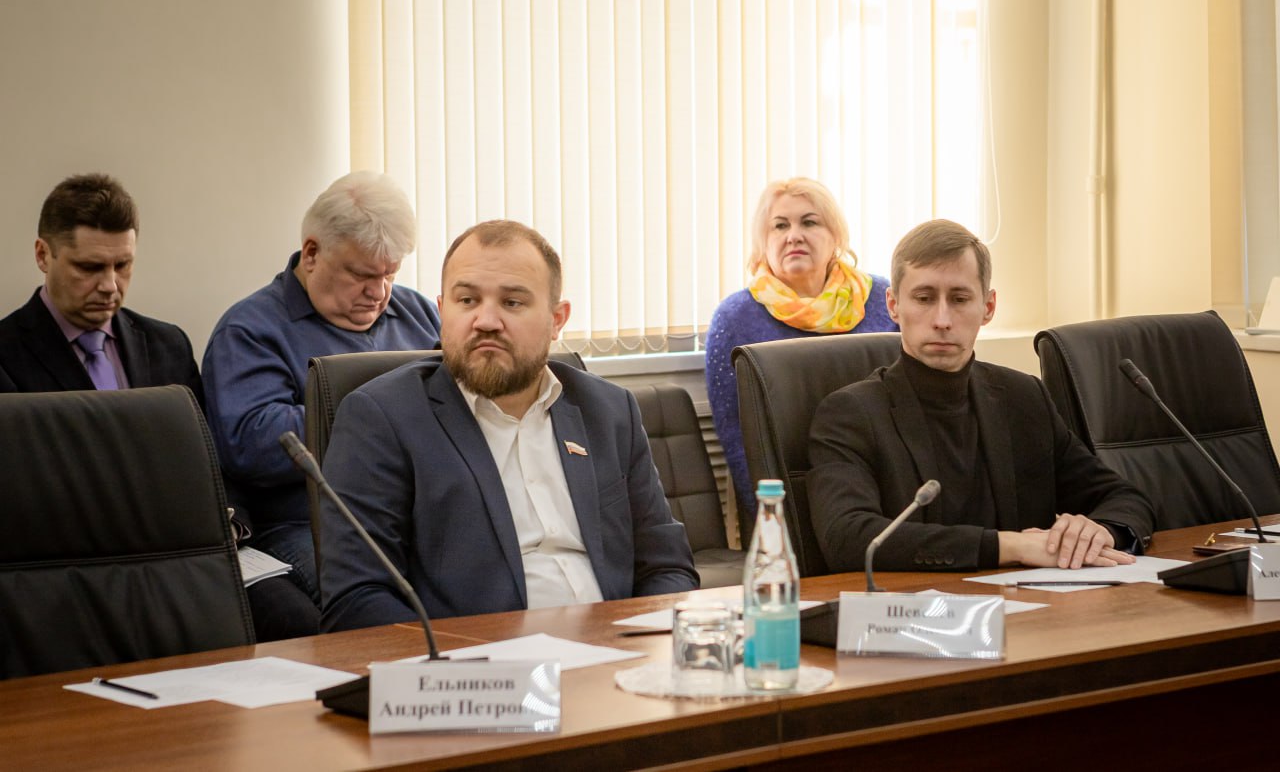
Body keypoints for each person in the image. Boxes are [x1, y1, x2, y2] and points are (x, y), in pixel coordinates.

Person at [320, 220, 698, 630]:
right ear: (442, 310)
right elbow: (357, 597)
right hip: (479, 659)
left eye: (512, 302)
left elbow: (667, 566)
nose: (486, 320)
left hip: (617, 649)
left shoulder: (608, 410)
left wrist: (645, 641)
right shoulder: (383, 417)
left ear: (557, 319)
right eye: (467, 300)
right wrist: (465, 662)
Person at [807, 219, 1155, 572]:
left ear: (988, 307)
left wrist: (1100, 531)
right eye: (924, 298)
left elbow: (1124, 498)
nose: (942, 320)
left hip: (1032, 601)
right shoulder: (851, 414)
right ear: (893, 305)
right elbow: (847, 537)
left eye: (960, 299)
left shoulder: (1024, 397)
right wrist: (1010, 546)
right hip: (914, 601)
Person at [202, 171, 441, 615]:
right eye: (361, 274)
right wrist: (383, 417)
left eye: (390, 274)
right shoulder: (249, 331)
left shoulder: (419, 314)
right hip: (310, 525)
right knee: (382, 609)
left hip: (421, 512)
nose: (379, 293)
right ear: (311, 253)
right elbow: (250, 444)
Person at [705, 177, 897, 524]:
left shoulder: (882, 299)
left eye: (809, 222)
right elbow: (737, 436)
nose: (794, 235)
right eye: (780, 226)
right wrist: (771, 518)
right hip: (786, 496)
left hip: (883, 481)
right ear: (763, 242)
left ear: (835, 235)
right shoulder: (734, 317)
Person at [0, 173, 201, 398]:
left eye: (122, 265)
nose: (110, 286)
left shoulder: (171, 347)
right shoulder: (6, 355)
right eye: (89, 267)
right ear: (43, 255)